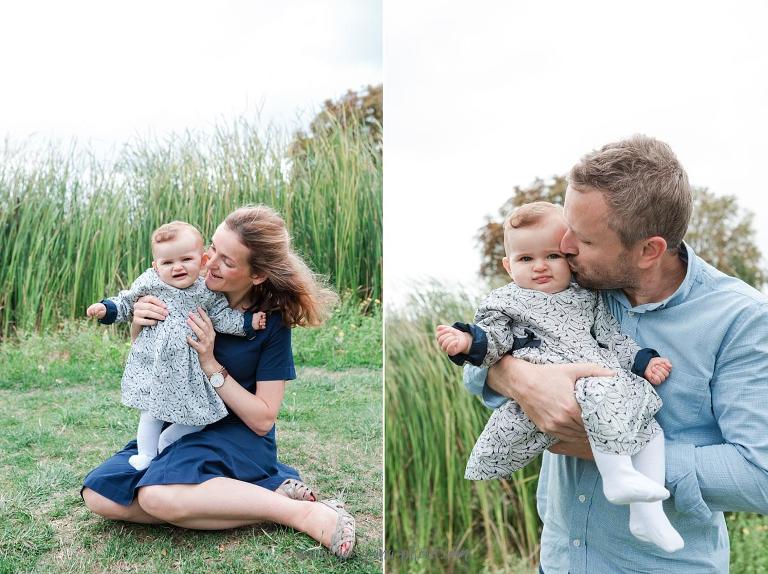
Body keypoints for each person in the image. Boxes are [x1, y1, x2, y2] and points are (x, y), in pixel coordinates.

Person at [464, 135, 768, 573]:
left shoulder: (743, 321)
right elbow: (481, 356)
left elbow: (759, 476)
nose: (564, 246)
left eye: (583, 240)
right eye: (567, 225)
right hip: (560, 560)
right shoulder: (570, 286)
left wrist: (609, 447)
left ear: (649, 251)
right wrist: (518, 379)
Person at [81, 205, 356, 560]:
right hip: (179, 424)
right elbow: (155, 365)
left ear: (256, 275)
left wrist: (210, 363)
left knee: (154, 496)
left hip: (236, 435)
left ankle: (302, 514)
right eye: (212, 247)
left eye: (227, 260)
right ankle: (260, 493)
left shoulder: (268, 325)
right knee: (100, 495)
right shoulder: (173, 291)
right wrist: (138, 325)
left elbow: (262, 419)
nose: (209, 262)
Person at [436, 201, 682, 552]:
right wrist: (466, 341)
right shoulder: (506, 302)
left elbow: (611, 338)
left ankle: (648, 513)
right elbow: (493, 342)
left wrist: (642, 361)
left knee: (650, 428)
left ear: (569, 256)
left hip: (603, 380)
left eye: (552, 256)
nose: (539, 267)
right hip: (554, 384)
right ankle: (617, 477)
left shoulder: (589, 299)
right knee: (600, 394)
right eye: (525, 259)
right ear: (508, 266)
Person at [86, 221, 267, 471]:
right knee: (151, 412)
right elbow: (127, 302)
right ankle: (147, 455)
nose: (177, 267)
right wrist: (107, 309)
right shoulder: (151, 282)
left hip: (189, 369)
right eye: (167, 262)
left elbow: (222, 317)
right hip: (155, 363)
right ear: (156, 266)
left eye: (186, 259)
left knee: (200, 415)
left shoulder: (206, 291)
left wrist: (248, 322)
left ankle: (168, 439)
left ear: (202, 260)